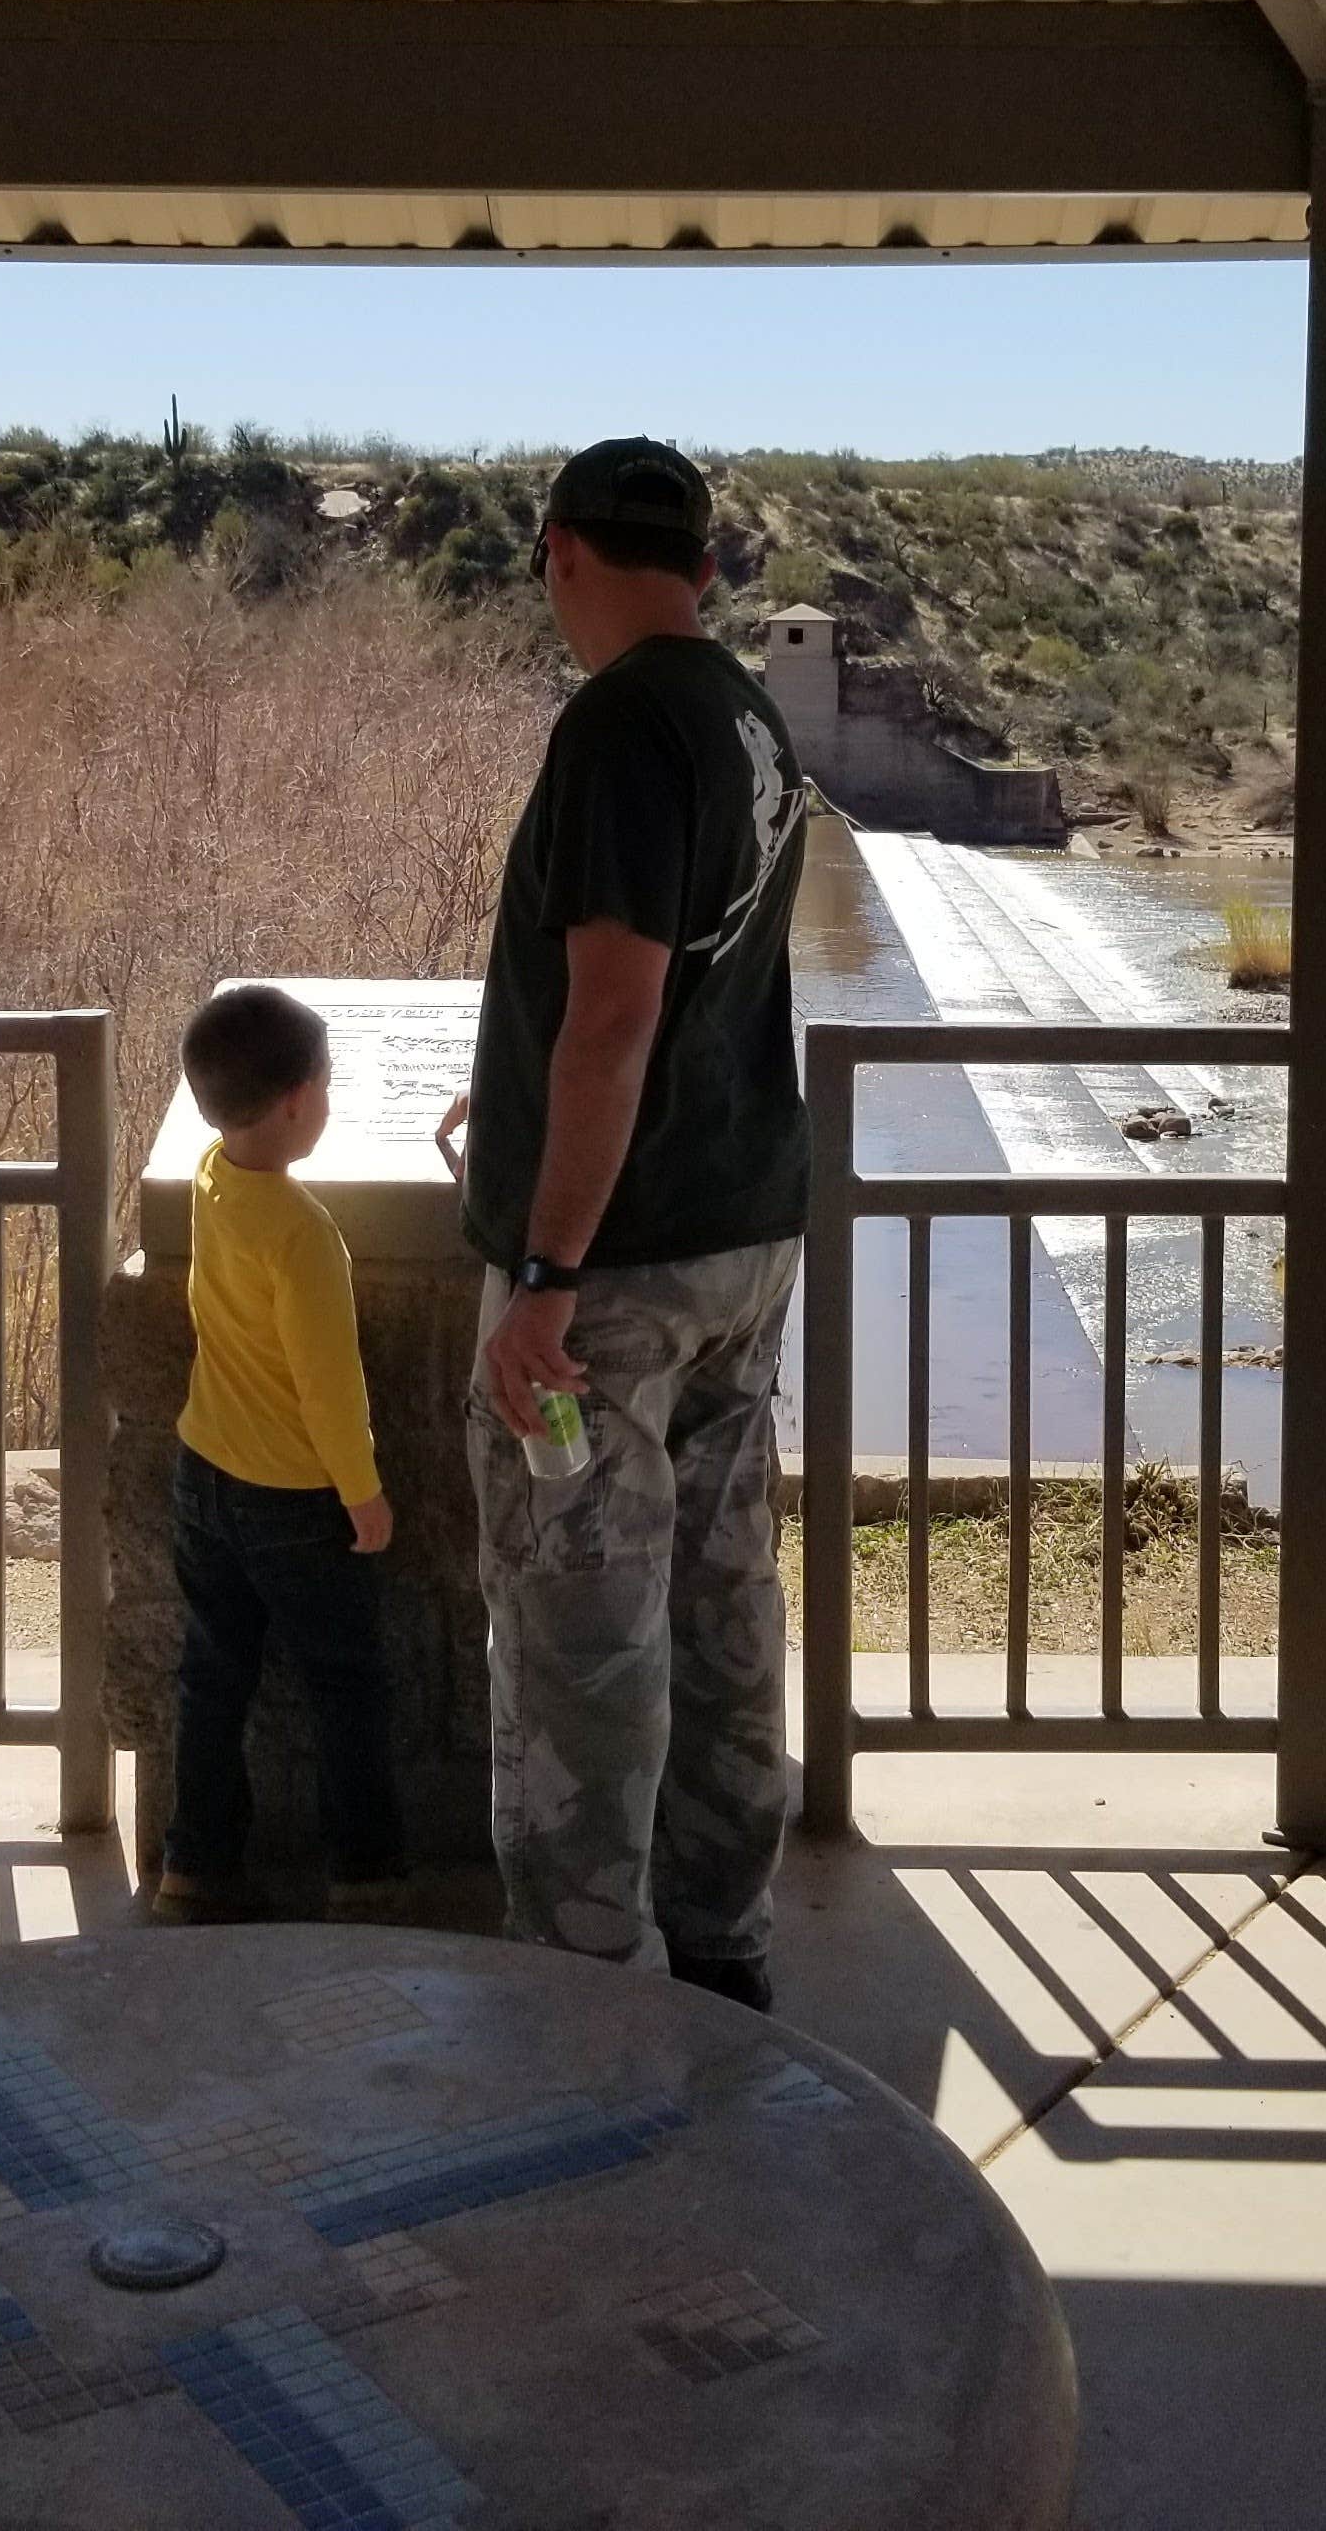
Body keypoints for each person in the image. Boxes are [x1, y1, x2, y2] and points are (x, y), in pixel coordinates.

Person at [437, 436, 807, 2008]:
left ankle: (588, 1985)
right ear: (707, 567)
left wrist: (544, 1266)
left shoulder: (617, 726)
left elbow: (610, 1016)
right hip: (743, 1234)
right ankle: (722, 1942)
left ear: (561, 553)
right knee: (720, 1582)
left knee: (580, 1618)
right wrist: (510, 1101)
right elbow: (670, 1004)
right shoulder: (743, 710)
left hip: (620, 1269)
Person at [153, 983, 407, 1922]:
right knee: (347, 1684)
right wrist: (364, 1493)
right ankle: (366, 1878)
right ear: (300, 1100)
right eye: (328, 1083)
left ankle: (194, 1868)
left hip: (202, 1471)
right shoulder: (305, 1236)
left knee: (213, 1676)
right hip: (295, 1499)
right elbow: (329, 1384)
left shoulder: (215, 1174)